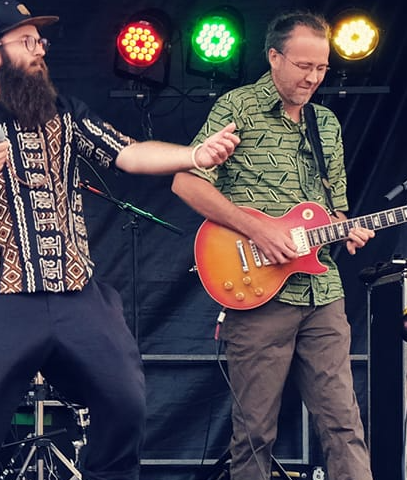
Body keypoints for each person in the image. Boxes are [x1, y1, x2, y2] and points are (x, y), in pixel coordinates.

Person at [0, 2, 240, 479]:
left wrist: (194, 154)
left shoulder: (63, 113)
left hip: (77, 292)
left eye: (41, 42)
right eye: (28, 42)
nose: (40, 51)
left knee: (125, 401)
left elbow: (130, 153)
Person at [170, 11, 375, 480]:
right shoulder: (236, 108)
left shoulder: (326, 125)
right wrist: (257, 229)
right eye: (304, 66)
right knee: (255, 432)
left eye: (322, 68)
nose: (313, 78)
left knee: (344, 424)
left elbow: (334, 208)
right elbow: (186, 183)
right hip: (259, 291)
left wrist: (348, 228)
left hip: (322, 295)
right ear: (274, 57)